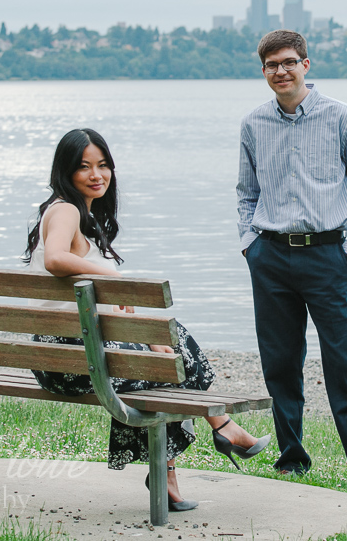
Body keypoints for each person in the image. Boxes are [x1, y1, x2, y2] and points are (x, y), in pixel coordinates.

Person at [25, 128, 269, 511]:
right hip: (68, 362)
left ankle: (183, 463)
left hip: (69, 356)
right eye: (84, 167)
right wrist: (114, 277)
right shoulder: (66, 210)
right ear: (65, 171)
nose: (97, 175)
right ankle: (217, 431)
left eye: (103, 165)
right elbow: (55, 258)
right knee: (166, 361)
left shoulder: (79, 215)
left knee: (164, 359)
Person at [236, 30, 347, 494]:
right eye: (271, 65)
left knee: (344, 364)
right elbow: (246, 193)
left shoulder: (341, 117)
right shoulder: (253, 124)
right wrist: (250, 244)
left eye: (288, 62)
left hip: (327, 256)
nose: (280, 71)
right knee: (280, 364)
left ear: (307, 64)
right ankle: (291, 459)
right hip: (269, 256)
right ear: (263, 71)